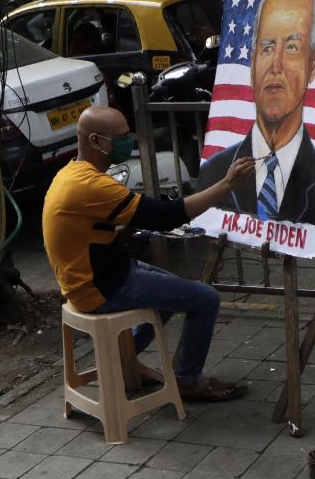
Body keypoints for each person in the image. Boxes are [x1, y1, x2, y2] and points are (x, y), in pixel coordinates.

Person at [43, 106, 256, 401]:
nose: (127, 141)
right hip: (98, 288)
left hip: (103, 273)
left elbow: (95, 225)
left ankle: (123, 364)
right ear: (95, 141)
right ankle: (188, 381)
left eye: (128, 134)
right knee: (205, 299)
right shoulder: (90, 185)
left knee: (170, 296)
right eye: (120, 137)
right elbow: (166, 216)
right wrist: (228, 184)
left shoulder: (71, 172)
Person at [197, 0, 315, 226]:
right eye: (267, 47)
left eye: (292, 47)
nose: (275, 66)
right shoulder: (213, 174)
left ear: (313, 63)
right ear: (252, 63)